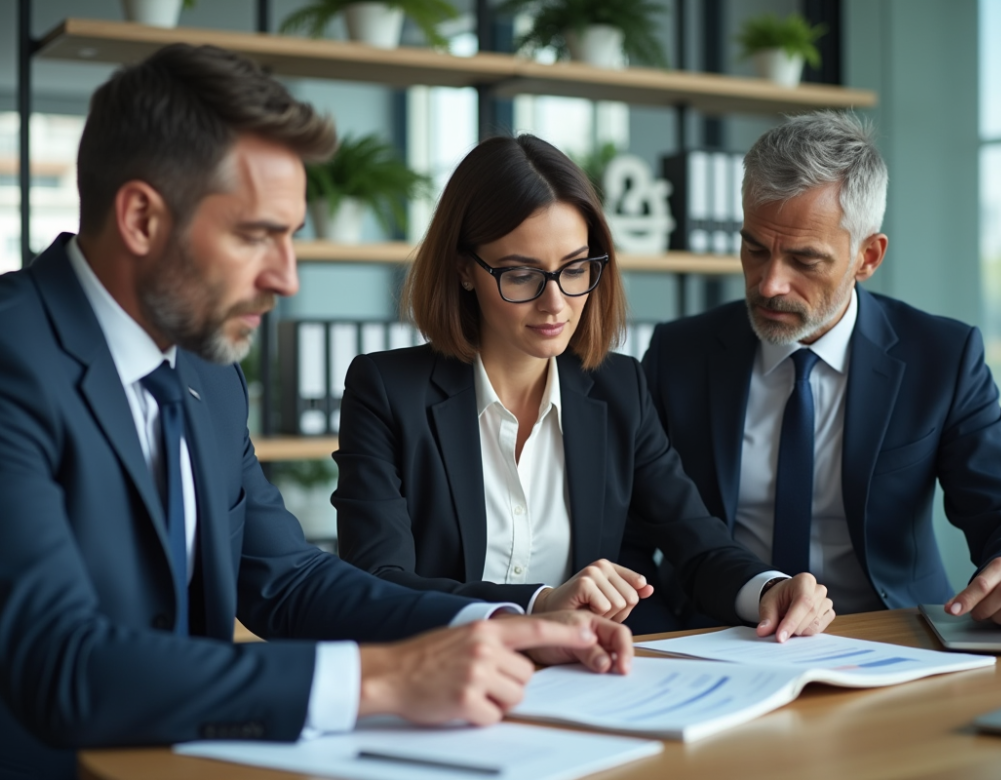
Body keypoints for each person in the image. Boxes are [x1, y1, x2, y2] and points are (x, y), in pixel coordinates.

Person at [0, 45, 632, 780]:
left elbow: (287, 581)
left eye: (291, 235)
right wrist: (383, 681)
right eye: (256, 234)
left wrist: (502, 627)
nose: (286, 277)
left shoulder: (203, 373)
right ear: (140, 217)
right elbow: (61, 665)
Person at [333, 133, 835, 638]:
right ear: (465, 270)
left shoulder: (619, 388)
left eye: (575, 269)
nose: (555, 304)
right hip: (446, 678)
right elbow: (379, 585)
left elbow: (697, 544)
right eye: (522, 274)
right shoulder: (386, 391)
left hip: (581, 681)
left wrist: (769, 589)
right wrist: (538, 604)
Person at [640, 110, 1001, 631]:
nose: (770, 283)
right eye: (754, 248)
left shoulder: (941, 357)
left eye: (805, 260)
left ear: (867, 256)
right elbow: (635, 532)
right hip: (722, 634)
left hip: (894, 636)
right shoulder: (678, 353)